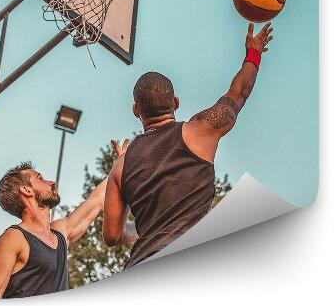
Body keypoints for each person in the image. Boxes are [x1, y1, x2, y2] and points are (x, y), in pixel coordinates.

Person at [103, 22, 274, 267]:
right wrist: (253, 53)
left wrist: (146, 228)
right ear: (176, 102)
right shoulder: (199, 131)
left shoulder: (120, 167)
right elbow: (238, 93)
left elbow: (113, 236)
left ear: (135, 110)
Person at [0, 140, 128, 299]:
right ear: (26, 190)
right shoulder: (14, 238)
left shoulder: (60, 232)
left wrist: (119, 166)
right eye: (40, 178)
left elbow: (95, 201)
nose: (51, 182)